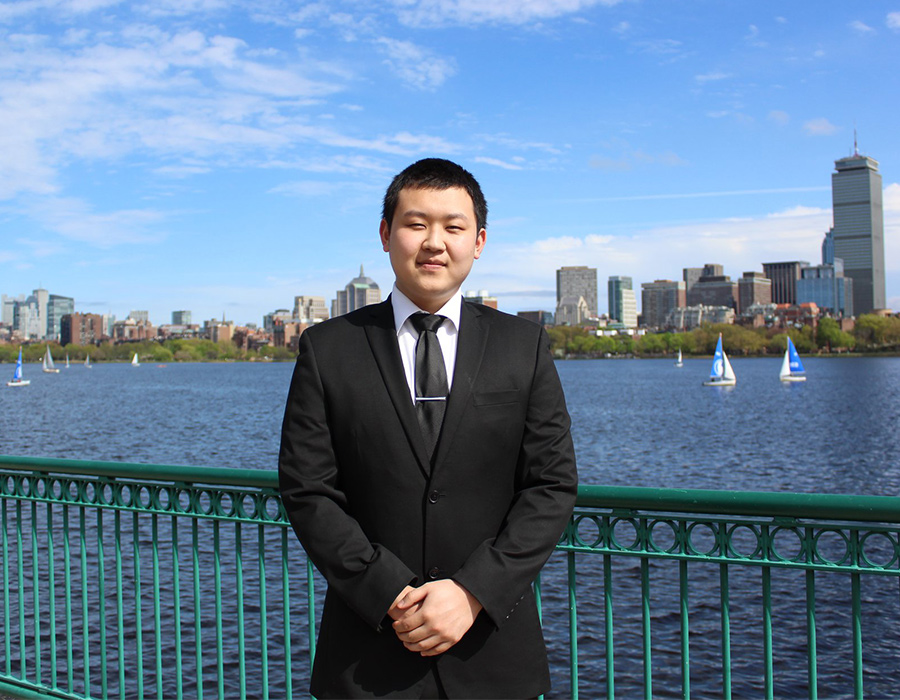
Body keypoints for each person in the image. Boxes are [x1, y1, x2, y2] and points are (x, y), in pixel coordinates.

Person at [278, 158, 577, 699]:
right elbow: (307, 490)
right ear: (386, 236)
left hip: (492, 652)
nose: (434, 242)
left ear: (479, 241)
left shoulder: (524, 346)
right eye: (416, 224)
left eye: (454, 226)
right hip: (368, 659)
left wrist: (473, 593)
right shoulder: (327, 349)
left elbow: (551, 486)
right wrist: (392, 593)